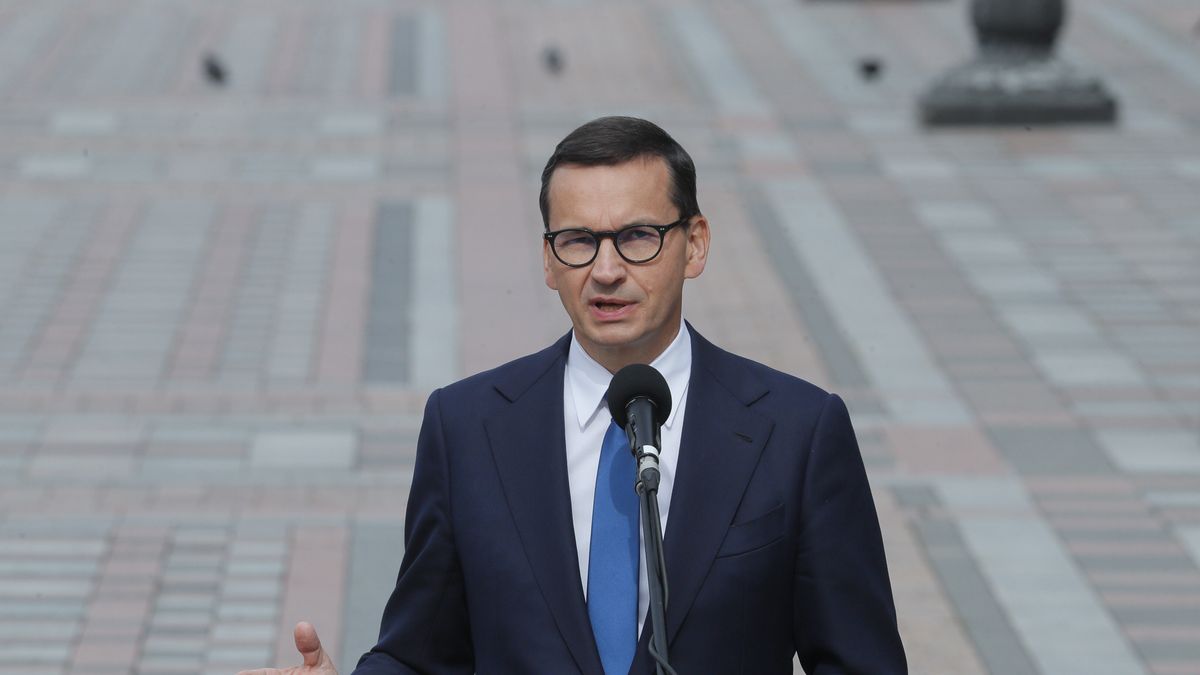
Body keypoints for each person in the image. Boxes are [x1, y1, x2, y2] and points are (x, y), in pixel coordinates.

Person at [238, 116, 906, 675]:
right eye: (579, 241)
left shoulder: (797, 431)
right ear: (549, 261)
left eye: (639, 237)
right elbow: (423, 653)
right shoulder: (467, 427)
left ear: (694, 244)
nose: (607, 270)